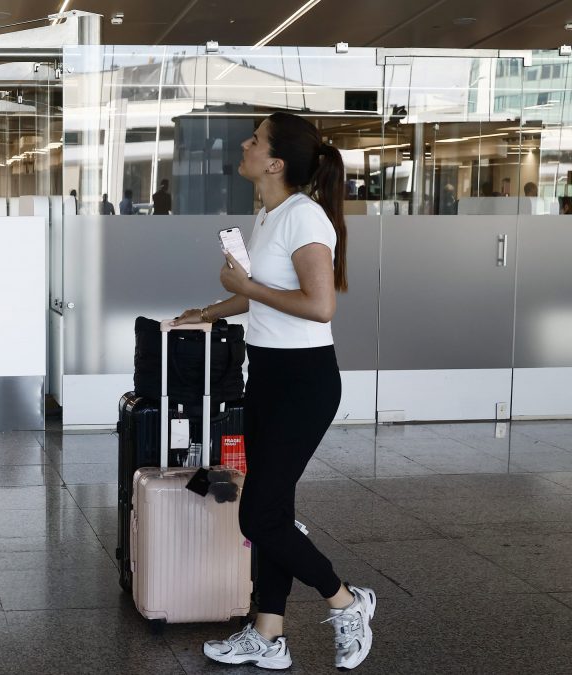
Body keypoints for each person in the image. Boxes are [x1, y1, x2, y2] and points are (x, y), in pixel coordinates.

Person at [171, 112, 375, 671]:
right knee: (275, 510)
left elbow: (320, 305)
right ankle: (269, 634)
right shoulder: (270, 213)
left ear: (276, 162)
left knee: (257, 517)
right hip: (266, 373)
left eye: (256, 139)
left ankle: (345, 600)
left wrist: (246, 286)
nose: (246, 144)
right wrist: (210, 311)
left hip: (304, 382)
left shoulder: (305, 217)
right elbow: (258, 293)